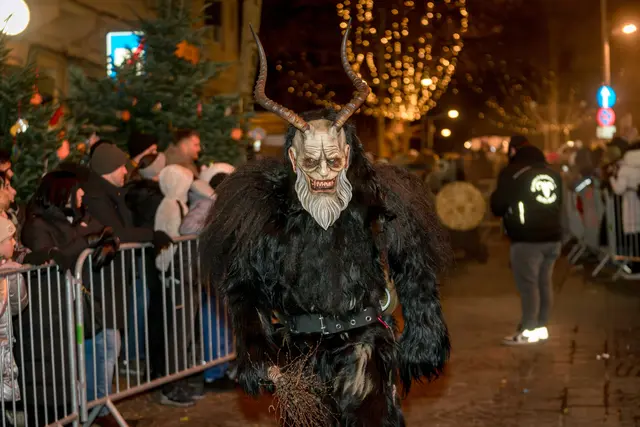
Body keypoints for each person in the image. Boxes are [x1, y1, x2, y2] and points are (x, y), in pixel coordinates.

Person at [201, 23, 450, 426]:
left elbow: (414, 268)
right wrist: (256, 346)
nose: (322, 173)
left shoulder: (379, 201)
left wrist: (424, 331)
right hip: (300, 354)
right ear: (294, 159)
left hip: (365, 348)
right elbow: (243, 284)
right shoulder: (264, 210)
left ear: (347, 156)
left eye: (333, 161)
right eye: (310, 161)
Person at [20, 170, 121, 427]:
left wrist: (110, 243)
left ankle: (94, 409)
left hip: (78, 303)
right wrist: (87, 242)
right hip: (53, 312)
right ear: (63, 193)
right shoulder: (37, 225)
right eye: (77, 189)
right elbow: (54, 259)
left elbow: (104, 231)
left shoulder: (74, 217)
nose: (82, 194)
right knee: (66, 372)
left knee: (103, 350)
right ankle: (88, 412)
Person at [490, 137, 563, 345]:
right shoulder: (552, 173)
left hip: (526, 239)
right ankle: (541, 327)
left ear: (513, 151)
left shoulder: (513, 173)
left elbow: (498, 205)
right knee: (544, 283)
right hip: (553, 237)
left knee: (529, 285)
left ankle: (529, 330)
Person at [0, 216, 28, 423]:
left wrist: (13, 277)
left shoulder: (8, 269)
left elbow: (18, 307)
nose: (14, 242)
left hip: (5, 347)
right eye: (10, 239)